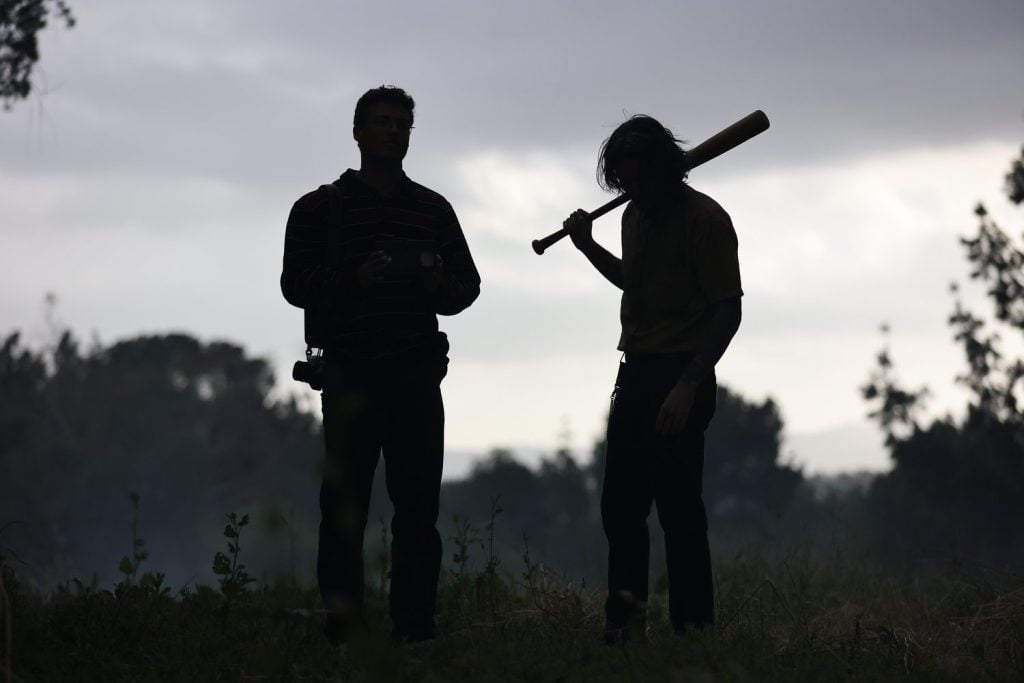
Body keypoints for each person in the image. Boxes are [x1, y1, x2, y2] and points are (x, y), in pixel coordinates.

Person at [280, 85, 481, 646]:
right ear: (358, 132)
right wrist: (353, 279)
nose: (394, 133)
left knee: (417, 514)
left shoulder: (433, 209)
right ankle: (345, 630)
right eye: (384, 123)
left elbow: (467, 287)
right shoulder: (319, 209)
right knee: (344, 513)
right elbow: (294, 285)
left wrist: (436, 283)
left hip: (415, 379)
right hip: (351, 379)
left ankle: (414, 631)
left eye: (402, 125)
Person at [564, 115, 742, 641]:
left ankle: (693, 631)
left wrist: (688, 385)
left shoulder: (706, 220)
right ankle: (623, 627)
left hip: (683, 373)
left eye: (640, 179)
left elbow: (727, 310)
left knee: (679, 511)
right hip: (636, 373)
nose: (633, 190)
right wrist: (587, 246)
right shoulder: (633, 216)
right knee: (620, 509)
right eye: (625, 181)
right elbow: (633, 282)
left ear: (665, 167)